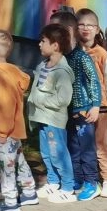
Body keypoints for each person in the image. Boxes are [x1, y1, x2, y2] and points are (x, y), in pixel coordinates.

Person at [0, 29, 36, 211]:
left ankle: (10, 200)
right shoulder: (12, 72)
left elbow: (4, 105)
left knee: (5, 165)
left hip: (5, 131)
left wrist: (2, 132)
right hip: (15, 128)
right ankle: (29, 192)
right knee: (19, 160)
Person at [49, 9, 101, 202]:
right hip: (67, 111)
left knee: (86, 148)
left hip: (84, 111)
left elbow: (93, 81)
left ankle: (92, 182)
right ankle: (77, 177)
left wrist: (95, 105)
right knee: (72, 146)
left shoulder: (81, 57)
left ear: (69, 31)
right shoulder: (62, 58)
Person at [27, 24, 75, 202]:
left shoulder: (62, 72)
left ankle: (68, 187)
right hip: (41, 118)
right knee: (46, 153)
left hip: (54, 121)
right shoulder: (43, 66)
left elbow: (63, 99)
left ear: (55, 45)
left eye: (43, 41)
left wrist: (39, 101)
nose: (39, 44)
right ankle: (53, 182)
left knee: (58, 153)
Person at [78, 9, 107, 197]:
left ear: (97, 29)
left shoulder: (102, 54)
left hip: (99, 106)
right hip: (79, 106)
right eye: (81, 24)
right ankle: (87, 178)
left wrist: (104, 98)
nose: (86, 28)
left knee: (102, 144)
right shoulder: (74, 52)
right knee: (82, 145)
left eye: (90, 25)